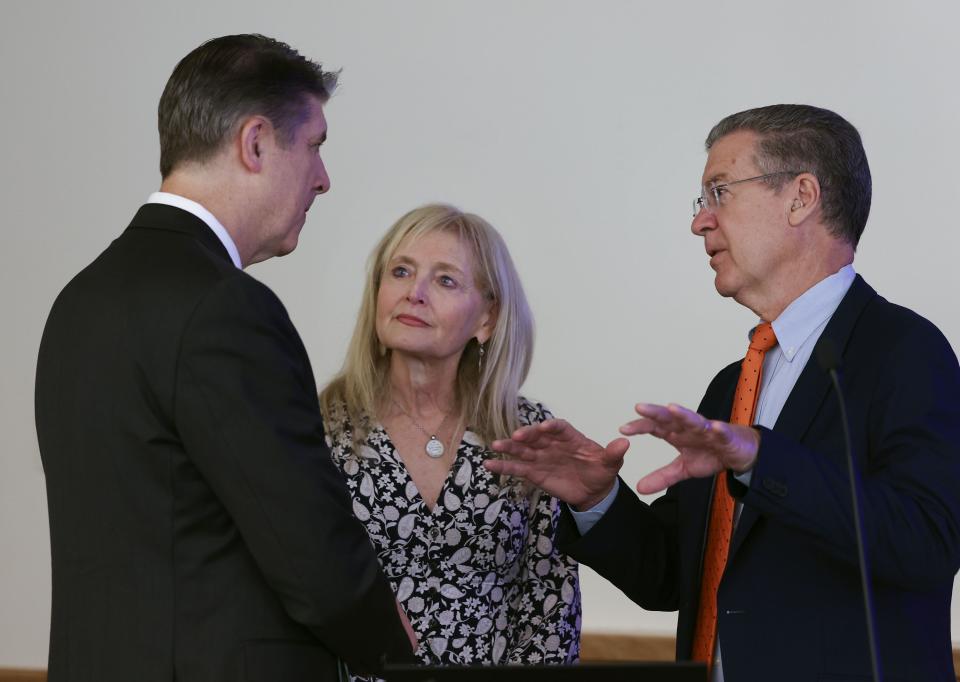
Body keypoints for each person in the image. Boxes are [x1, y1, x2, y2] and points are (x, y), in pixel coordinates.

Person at [485, 105, 960, 681]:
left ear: (800, 197)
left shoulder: (903, 350)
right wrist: (597, 499)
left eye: (719, 193)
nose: (700, 222)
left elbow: (927, 543)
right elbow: (674, 576)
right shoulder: (732, 385)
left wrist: (761, 459)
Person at [34, 34, 415, 682]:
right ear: (256, 142)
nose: (323, 178)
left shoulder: (78, 300)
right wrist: (394, 647)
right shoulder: (228, 311)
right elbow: (311, 557)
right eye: (315, 146)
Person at [319, 204, 581, 676]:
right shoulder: (320, 428)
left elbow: (549, 609)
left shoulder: (526, 433)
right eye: (400, 272)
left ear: (487, 318)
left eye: (445, 280)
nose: (414, 294)